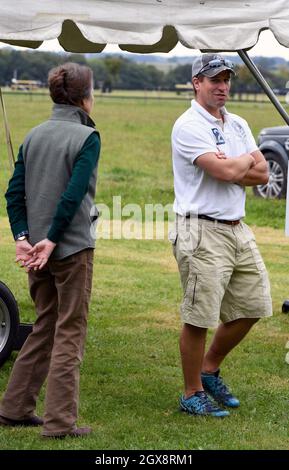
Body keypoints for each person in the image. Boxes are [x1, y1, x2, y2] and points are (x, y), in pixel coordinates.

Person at [0, 62, 101, 437]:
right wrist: (55, 238)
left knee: (44, 325)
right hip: (70, 249)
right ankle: (60, 423)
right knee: (70, 332)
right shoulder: (87, 137)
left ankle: (14, 409)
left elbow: (13, 193)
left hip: (36, 251)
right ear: (84, 98)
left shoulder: (34, 134)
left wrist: (23, 236)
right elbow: (74, 195)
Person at [170, 53, 272, 418]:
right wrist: (240, 163)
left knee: (256, 304)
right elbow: (229, 170)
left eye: (227, 79)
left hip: (236, 227)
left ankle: (209, 368)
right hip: (200, 229)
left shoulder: (238, 123)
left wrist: (234, 164)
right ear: (196, 82)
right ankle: (191, 392)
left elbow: (262, 175)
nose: (222, 86)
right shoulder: (188, 125)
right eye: (214, 80)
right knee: (200, 316)